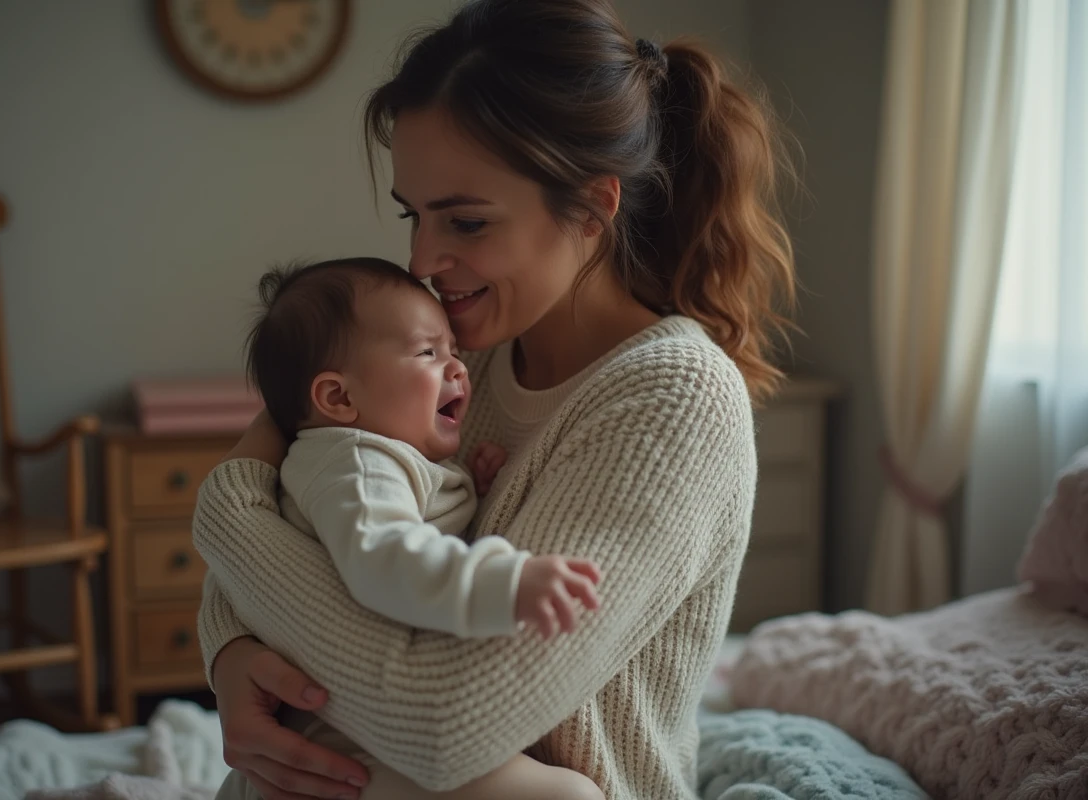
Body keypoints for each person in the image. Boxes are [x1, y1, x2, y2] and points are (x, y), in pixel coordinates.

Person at [193, 0, 796, 798]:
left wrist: (225, 515)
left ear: (592, 207)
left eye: (467, 222)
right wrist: (231, 654)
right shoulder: (442, 357)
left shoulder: (675, 398)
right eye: (414, 216)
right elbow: (290, 520)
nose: (422, 261)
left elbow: (446, 727)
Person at [212, 257, 606, 798]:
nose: (458, 368)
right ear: (339, 398)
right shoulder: (357, 462)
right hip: (350, 742)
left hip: (356, 728)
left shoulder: (369, 456)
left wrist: (472, 485)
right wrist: (503, 581)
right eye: (428, 353)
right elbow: (384, 558)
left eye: (453, 351)